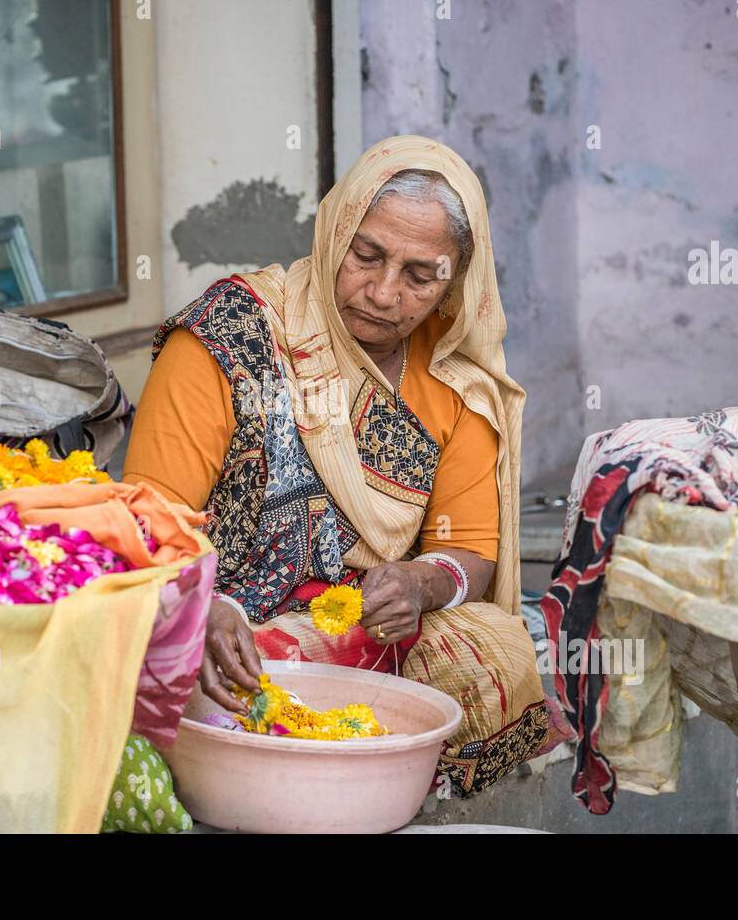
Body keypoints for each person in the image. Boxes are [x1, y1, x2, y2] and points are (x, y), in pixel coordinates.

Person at [123, 135, 546, 794]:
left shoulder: (456, 380)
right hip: (225, 637)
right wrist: (196, 602)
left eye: (419, 275)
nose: (382, 292)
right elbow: (145, 521)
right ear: (335, 229)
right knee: (186, 674)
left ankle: (400, 794)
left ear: (455, 279)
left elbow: (467, 550)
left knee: (493, 645)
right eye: (367, 255)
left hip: (359, 631)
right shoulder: (228, 337)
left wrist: (419, 583)